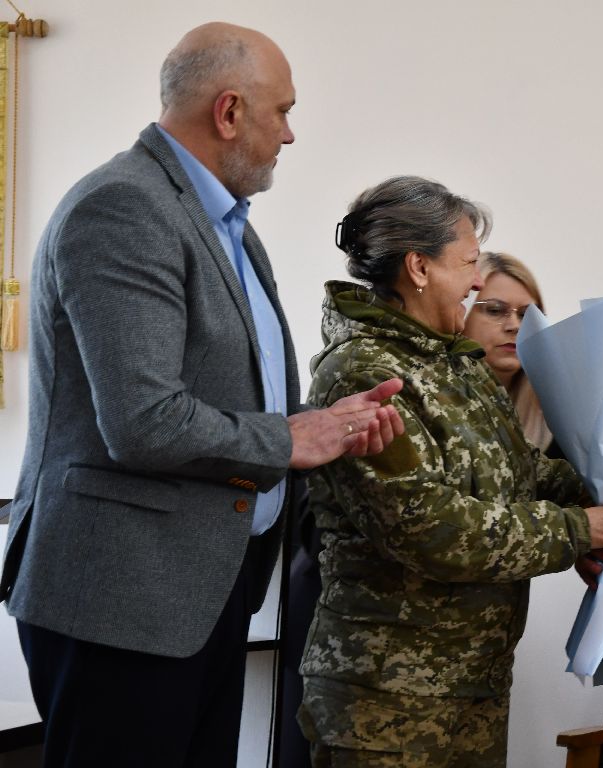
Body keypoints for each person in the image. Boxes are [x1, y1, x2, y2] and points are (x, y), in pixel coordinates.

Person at [0, 22, 405, 768]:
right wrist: (290, 438)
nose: (290, 134)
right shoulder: (123, 208)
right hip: (121, 601)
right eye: (282, 111)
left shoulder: (229, 227)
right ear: (229, 111)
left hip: (205, 590)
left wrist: (328, 428)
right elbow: (145, 422)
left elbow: (230, 394)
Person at [297, 175, 603, 767]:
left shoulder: (455, 362)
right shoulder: (365, 373)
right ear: (419, 267)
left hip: (470, 687)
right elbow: (430, 528)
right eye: (467, 263)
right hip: (389, 703)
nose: (477, 280)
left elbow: (522, 471)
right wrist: (579, 529)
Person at [463, 251, 555, 454]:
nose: (515, 326)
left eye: (525, 314)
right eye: (495, 310)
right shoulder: (432, 401)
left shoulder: (559, 416)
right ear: (461, 313)